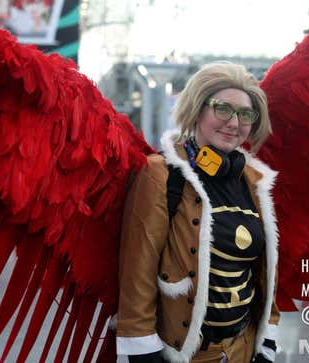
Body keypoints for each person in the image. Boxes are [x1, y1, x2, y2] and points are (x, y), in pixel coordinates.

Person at [116, 62, 280, 363]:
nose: (234, 123)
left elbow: (265, 272)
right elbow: (136, 272)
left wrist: (266, 341)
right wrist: (143, 352)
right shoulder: (162, 175)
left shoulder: (254, 183)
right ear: (197, 108)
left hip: (242, 350)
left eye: (245, 115)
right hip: (184, 354)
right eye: (223, 109)